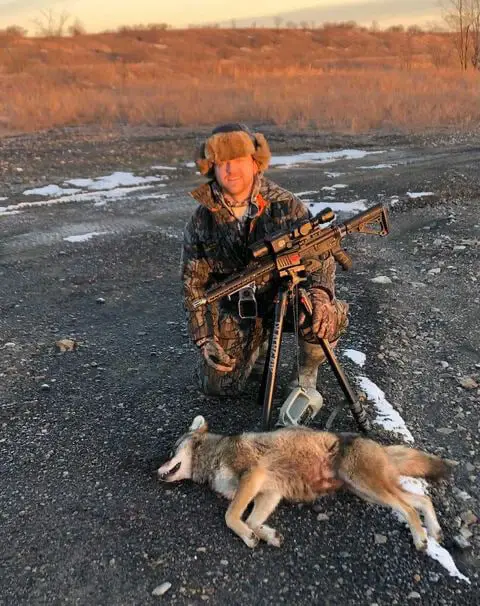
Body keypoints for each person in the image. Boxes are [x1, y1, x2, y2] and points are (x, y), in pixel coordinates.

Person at [181, 123, 349, 404]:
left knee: (319, 316)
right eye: (222, 162)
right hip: (240, 312)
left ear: (255, 162)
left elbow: (320, 257)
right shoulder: (202, 220)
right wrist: (205, 337)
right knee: (217, 386)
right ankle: (255, 351)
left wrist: (321, 296)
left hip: (288, 298)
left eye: (237, 160)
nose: (230, 170)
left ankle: (306, 372)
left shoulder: (286, 205)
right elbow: (193, 284)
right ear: (212, 167)